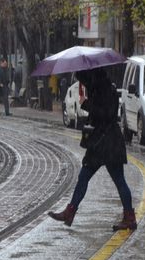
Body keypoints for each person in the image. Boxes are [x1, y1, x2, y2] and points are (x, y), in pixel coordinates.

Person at [48, 67, 137, 231]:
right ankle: (71, 211)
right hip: (106, 141)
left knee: (115, 180)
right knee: (90, 177)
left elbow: (105, 114)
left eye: (83, 80)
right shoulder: (103, 87)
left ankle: (129, 217)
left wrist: (87, 104)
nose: (82, 83)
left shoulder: (103, 89)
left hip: (105, 142)